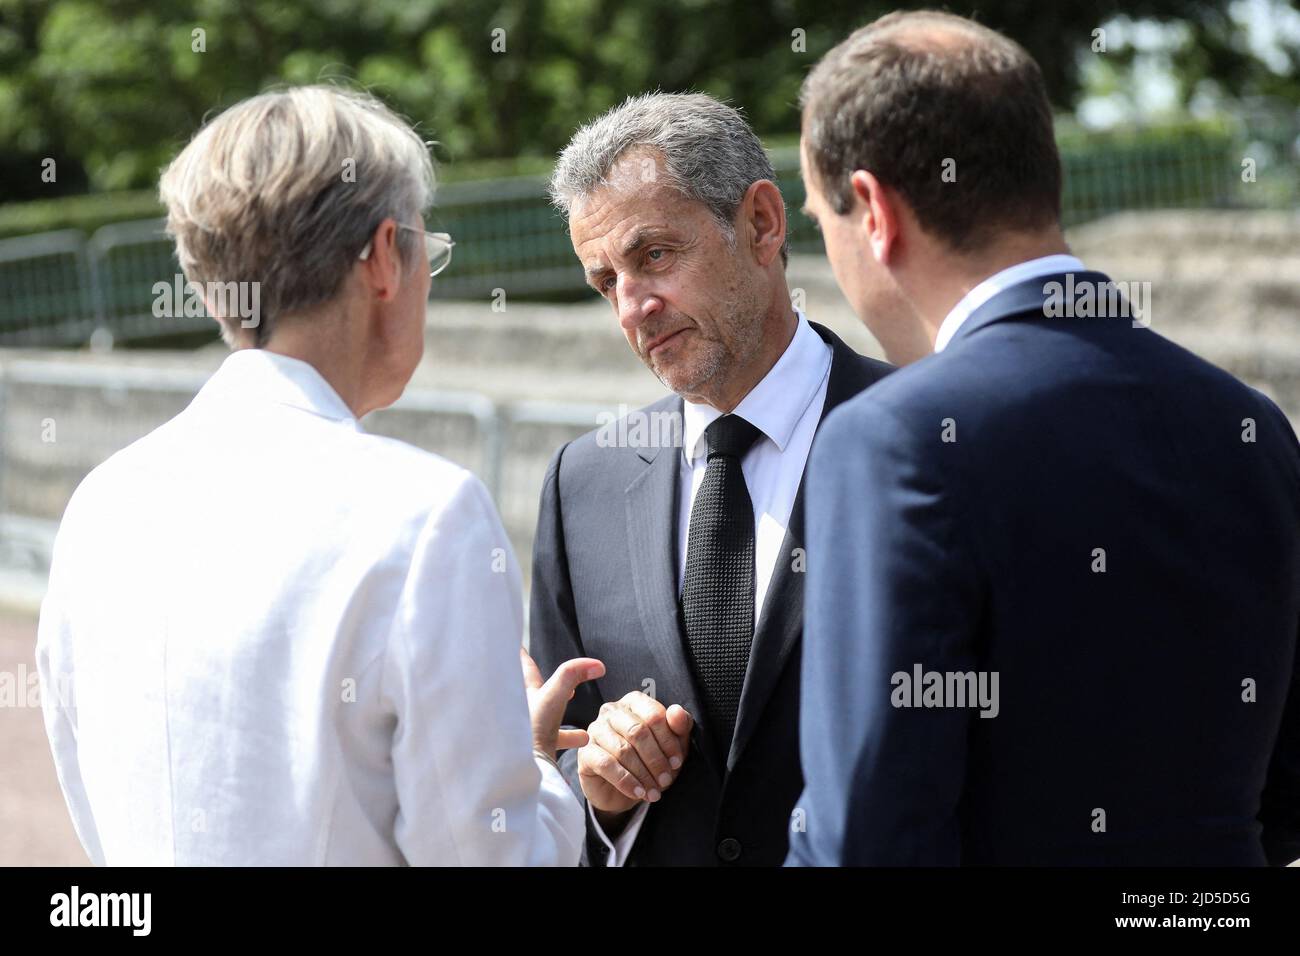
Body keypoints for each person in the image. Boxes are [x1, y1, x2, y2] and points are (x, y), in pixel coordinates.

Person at [36, 85, 602, 866]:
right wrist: (540, 769)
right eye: (424, 250)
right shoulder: (425, 516)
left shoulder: (103, 504)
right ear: (380, 258)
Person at [788, 10, 1300, 866]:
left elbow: (867, 840)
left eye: (820, 220)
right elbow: (1283, 799)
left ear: (873, 211)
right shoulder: (1249, 422)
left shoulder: (893, 439)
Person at [530, 92, 892, 866]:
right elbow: (558, 749)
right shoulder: (580, 484)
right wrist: (599, 784)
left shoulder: (922, 436)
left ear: (761, 223)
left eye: (654, 255)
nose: (633, 308)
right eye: (604, 282)